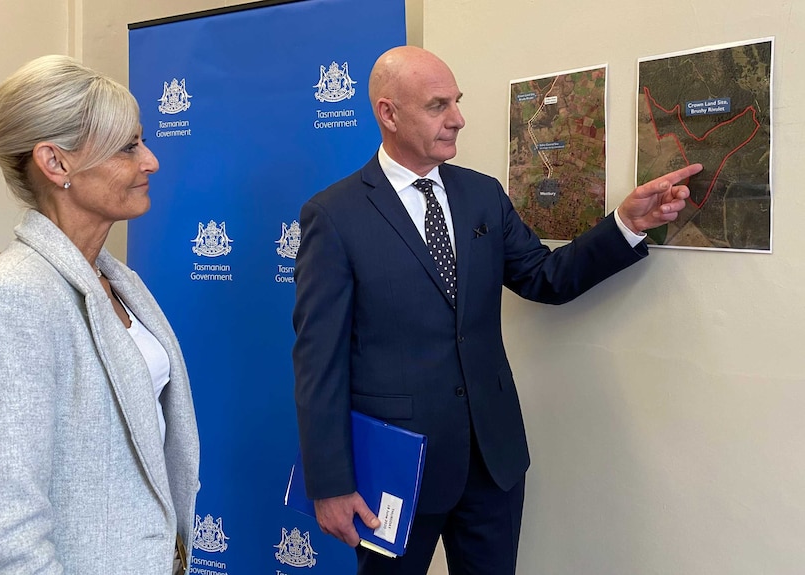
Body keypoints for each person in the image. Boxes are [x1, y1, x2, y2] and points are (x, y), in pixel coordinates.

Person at [292, 45, 702, 575]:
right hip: (394, 473)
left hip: (493, 463)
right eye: (438, 105)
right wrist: (330, 482)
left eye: (457, 102)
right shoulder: (334, 215)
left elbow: (544, 277)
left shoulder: (483, 196)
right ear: (388, 113)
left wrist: (625, 223)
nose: (458, 119)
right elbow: (317, 363)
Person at [0, 55, 200, 575]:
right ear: (55, 163)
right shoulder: (12, 299)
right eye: (128, 147)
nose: (150, 161)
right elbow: (8, 536)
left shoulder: (121, 282)